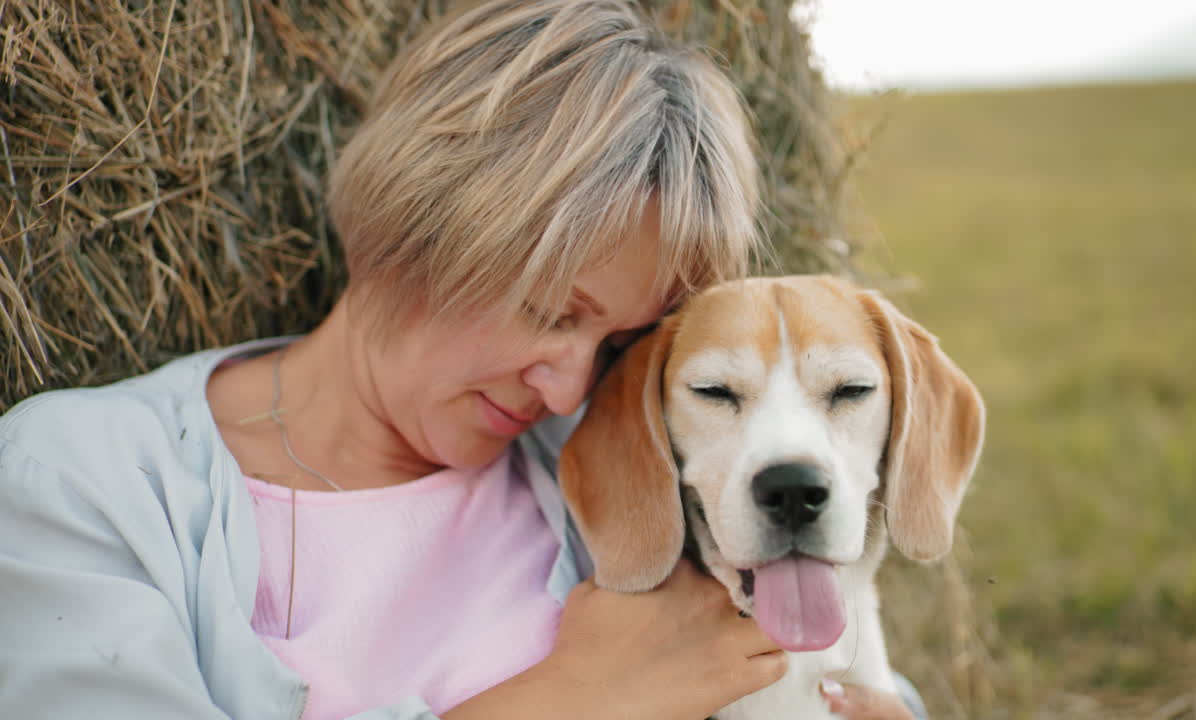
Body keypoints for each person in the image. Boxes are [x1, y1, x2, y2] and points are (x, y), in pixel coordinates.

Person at [0, 1, 922, 718]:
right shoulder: (84, 481)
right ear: (422, 215)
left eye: (618, 344)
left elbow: (822, 654)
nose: (570, 387)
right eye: (548, 310)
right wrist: (572, 697)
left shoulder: (614, 472)